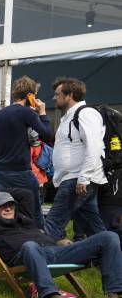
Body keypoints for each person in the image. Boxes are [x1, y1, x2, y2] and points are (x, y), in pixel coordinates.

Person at [0, 188, 122, 298]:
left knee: (109, 237)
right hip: (26, 256)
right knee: (30, 246)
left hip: (56, 251)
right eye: (2, 205)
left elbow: (26, 193)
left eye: (10, 205)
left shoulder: (24, 216)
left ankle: (113, 294)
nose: (8, 208)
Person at [46, 77, 107, 241]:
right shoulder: (67, 117)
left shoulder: (86, 113)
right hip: (74, 179)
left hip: (77, 179)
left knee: (53, 223)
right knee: (94, 228)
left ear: (69, 95)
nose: (54, 98)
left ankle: (36, 259)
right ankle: (112, 259)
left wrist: (84, 177)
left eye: (57, 94)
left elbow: (93, 146)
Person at [0, 75, 53, 227]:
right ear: (30, 95)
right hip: (21, 172)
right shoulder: (27, 113)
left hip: (1, 171)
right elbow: (47, 135)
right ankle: (41, 243)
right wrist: (42, 113)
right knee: (34, 210)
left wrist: (2, 159)